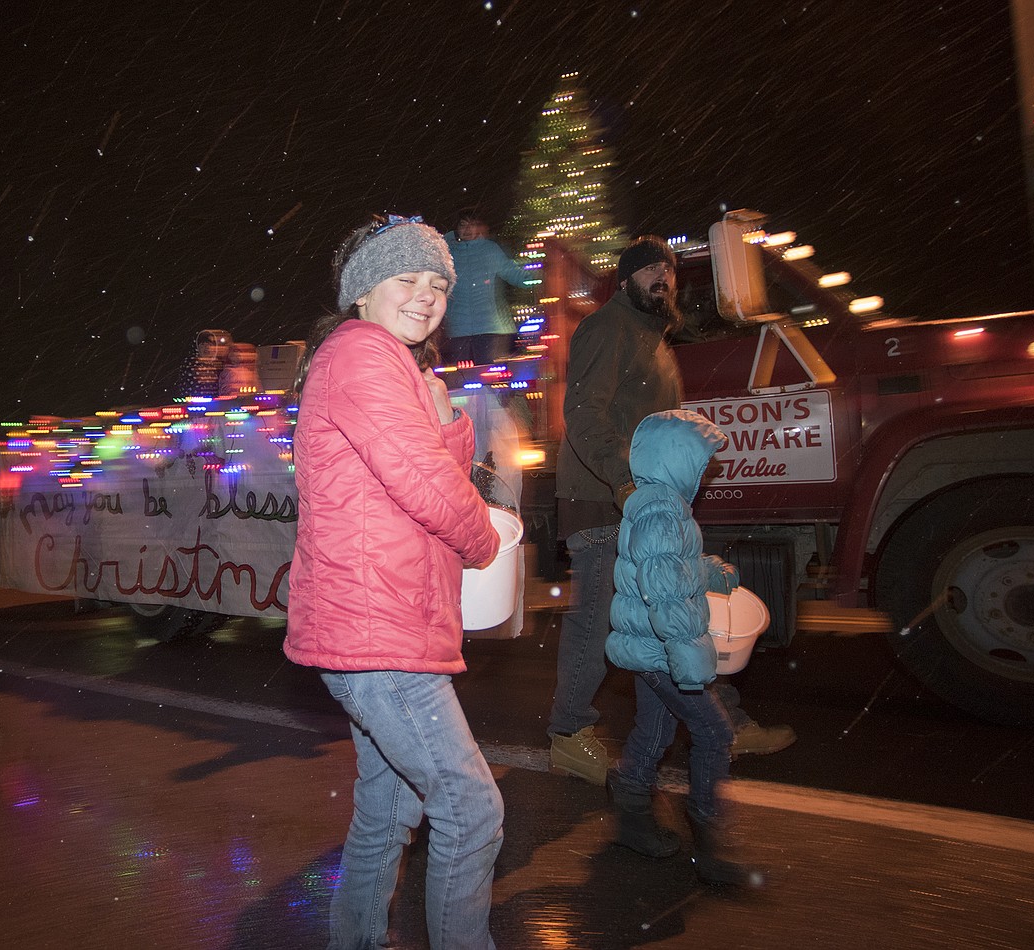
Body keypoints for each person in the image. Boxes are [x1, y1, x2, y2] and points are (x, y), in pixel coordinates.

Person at [283, 214, 504, 950]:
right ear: (362, 291)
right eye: (406, 279)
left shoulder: (388, 364)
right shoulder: (364, 355)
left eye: (438, 283)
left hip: (378, 625)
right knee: (471, 812)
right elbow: (428, 490)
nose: (425, 295)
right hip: (380, 631)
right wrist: (487, 542)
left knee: (389, 808)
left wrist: (445, 422)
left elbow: (417, 472)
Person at [548, 235, 795, 785]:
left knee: (674, 604)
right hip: (603, 497)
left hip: (645, 495)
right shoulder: (608, 329)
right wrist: (626, 484)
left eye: (669, 269)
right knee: (596, 618)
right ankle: (569, 734)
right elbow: (585, 416)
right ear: (626, 277)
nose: (663, 276)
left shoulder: (654, 336)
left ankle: (724, 719)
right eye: (650, 269)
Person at [605, 408, 757, 886]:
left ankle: (630, 814)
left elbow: (664, 568)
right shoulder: (663, 509)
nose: (707, 471)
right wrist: (689, 660)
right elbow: (665, 593)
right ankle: (708, 842)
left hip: (650, 648)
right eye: (702, 460)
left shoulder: (659, 503)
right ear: (677, 460)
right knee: (715, 734)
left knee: (653, 732)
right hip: (664, 650)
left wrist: (707, 569)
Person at [441, 212, 530, 365]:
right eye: (463, 225)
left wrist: (541, 278)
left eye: (472, 224)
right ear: (456, 228)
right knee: (460, 379)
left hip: (490, 329)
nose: (467, 229)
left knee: (490, 376)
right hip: (457, 329)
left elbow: (513, 274)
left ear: (479, 227)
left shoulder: (489, 250)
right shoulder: (448, 254)